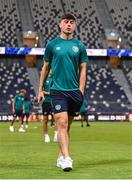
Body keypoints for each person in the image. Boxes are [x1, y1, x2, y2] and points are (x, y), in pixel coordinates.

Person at [38, 14, 88, 171]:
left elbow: (83, 69)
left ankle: (60, 156)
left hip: (74, 92)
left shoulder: (79, 46)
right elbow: (45, 67)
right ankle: (67, 158)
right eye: (66, 22)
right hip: (57, 91)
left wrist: (81, 90)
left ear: (74, 26)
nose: (68, 25)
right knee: (62, 124)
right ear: (60, 24)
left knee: (66, 128)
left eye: (72, 22)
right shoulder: (52, 45)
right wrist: (40, 89)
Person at [41, 70, 58, 143]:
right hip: (46, 102)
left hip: (55, 101)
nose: (52, 71)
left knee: (56, 119)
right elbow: (41, 91)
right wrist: (48, 93)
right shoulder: (45, 79)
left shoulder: (56, 79)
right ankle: (46, 135)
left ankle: (56, 135)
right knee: (45, 120)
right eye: (51, 69)